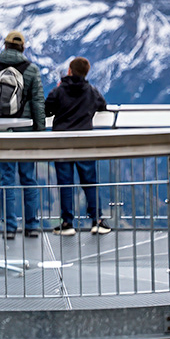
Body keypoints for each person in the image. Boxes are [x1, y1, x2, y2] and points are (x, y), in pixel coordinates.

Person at [0, 32, 46, 237]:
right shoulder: (31, 69)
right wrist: (40, 132)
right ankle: (31, 226)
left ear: (5, 46)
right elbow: (38, 102)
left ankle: (9, 228)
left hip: (1, 131)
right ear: (23, 48)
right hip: (25, 132)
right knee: (28, 178)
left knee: (7, 179)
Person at [46, 57, 112, 235]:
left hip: (62, 142)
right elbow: (102, 105)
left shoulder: (59, 91)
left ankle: (67, 223)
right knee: (90, 182)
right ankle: (97, 220)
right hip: (84, 142)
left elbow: (47, 109)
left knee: (65, 183)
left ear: (69, 71)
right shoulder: (91, 91)